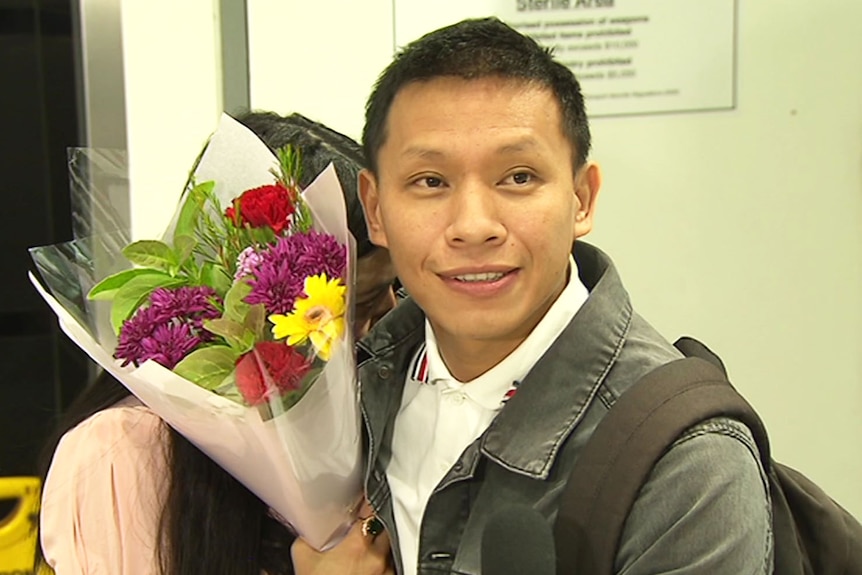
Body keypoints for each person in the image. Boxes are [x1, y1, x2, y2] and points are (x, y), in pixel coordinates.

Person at [296, 17, 773, 574]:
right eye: (430, 181)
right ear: (375, 209)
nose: (473, 226)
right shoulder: (356, 383)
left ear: (581, 199)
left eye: (518, 177)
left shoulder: (687, 462)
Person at [37, 111, 398, 575]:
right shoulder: (122, 451)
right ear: (260, 298)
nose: (389, 315)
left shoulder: (377, 412)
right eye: (363, 302)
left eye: (398, 290)